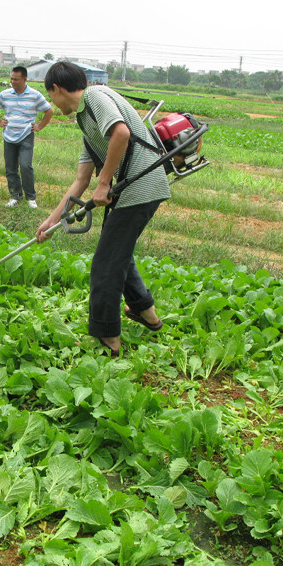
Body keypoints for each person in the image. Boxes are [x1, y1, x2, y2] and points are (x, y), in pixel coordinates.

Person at [35, 62, 168, 358]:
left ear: (57, 89)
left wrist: (104, 182)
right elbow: (81, 180)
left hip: (140, 186)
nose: (52, 103)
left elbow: (121, 133)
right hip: (133, 188)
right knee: (118, 253)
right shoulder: (86, 122)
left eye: (50, 95)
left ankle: (108, 336)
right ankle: (147, 314)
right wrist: (51, 221)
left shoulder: (94, 96)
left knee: (106, 264)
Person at [0, 66, 53, 209]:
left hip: (26, 136)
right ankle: (15, 196)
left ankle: (31, 198)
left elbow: (49, 111)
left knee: (25, 166)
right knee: (10, 168)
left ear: (24, 79)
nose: (12, 81)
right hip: (9, 136)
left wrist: (39, 126)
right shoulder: (5, 94)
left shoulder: (35, 95)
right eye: (11, 78)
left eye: (16, 79)